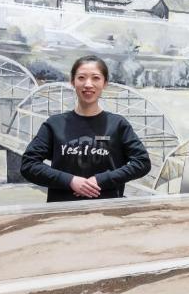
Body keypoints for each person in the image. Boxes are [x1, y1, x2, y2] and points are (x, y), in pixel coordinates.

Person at [21, 55, 151, 202]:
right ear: (72, 82)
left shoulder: (118, 125)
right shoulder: (54, 124)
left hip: (108, 213)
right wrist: (70, 181)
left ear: (105, 83)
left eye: (96, 78)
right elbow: (29, 165)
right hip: (61, 214)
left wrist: (101, 180)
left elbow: (142, 162)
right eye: (81, 77)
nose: (88, 84)